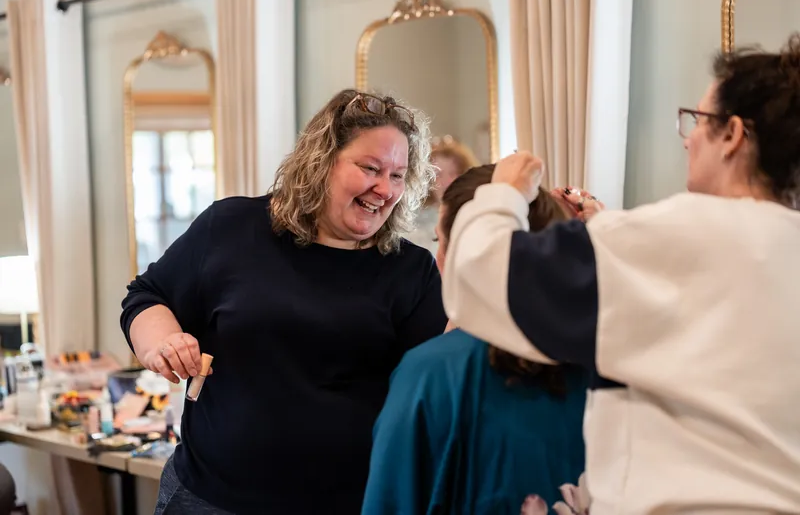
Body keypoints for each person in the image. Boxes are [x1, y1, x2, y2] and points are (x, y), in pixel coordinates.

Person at [443, 36, 800, 513]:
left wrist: (504, 193)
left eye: (697, 120)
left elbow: (478, 273)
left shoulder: (671, 234)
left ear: (732, 134)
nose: (689, 139)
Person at [120, 89, 448, 515]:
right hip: (209, 497)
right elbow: (147, 296)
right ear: (322, 162)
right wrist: (162, 343)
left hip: (349, 503)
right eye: (370, 168)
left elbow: (434, 388)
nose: (385, 189)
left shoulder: (411, 271)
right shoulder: (231, 228)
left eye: (398, 175)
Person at [361, 164, 589, 515]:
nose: (438, 260)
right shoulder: (609, 361)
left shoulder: (433, 374)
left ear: (469, 255)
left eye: (440, 242)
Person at [405, 136, 480, 253]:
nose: (446, 182)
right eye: (438, 175)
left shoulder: (476, 216)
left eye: (453, 173)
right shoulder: (413, 222)